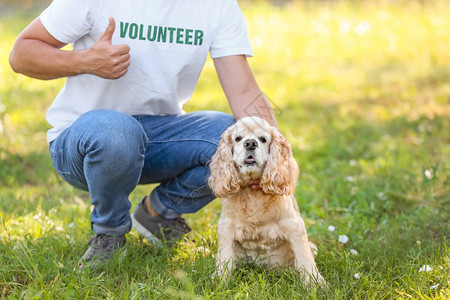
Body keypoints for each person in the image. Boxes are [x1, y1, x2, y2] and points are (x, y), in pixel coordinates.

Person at [9, 0, 279, 268]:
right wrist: (85, 61)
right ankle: (109, 232)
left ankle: (159, 212)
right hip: (84, 140)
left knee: (230, 140)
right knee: (118, 131)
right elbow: (21, 54)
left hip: (157, 138)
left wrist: (275, 158)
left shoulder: (216, 6)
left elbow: (244, 92)